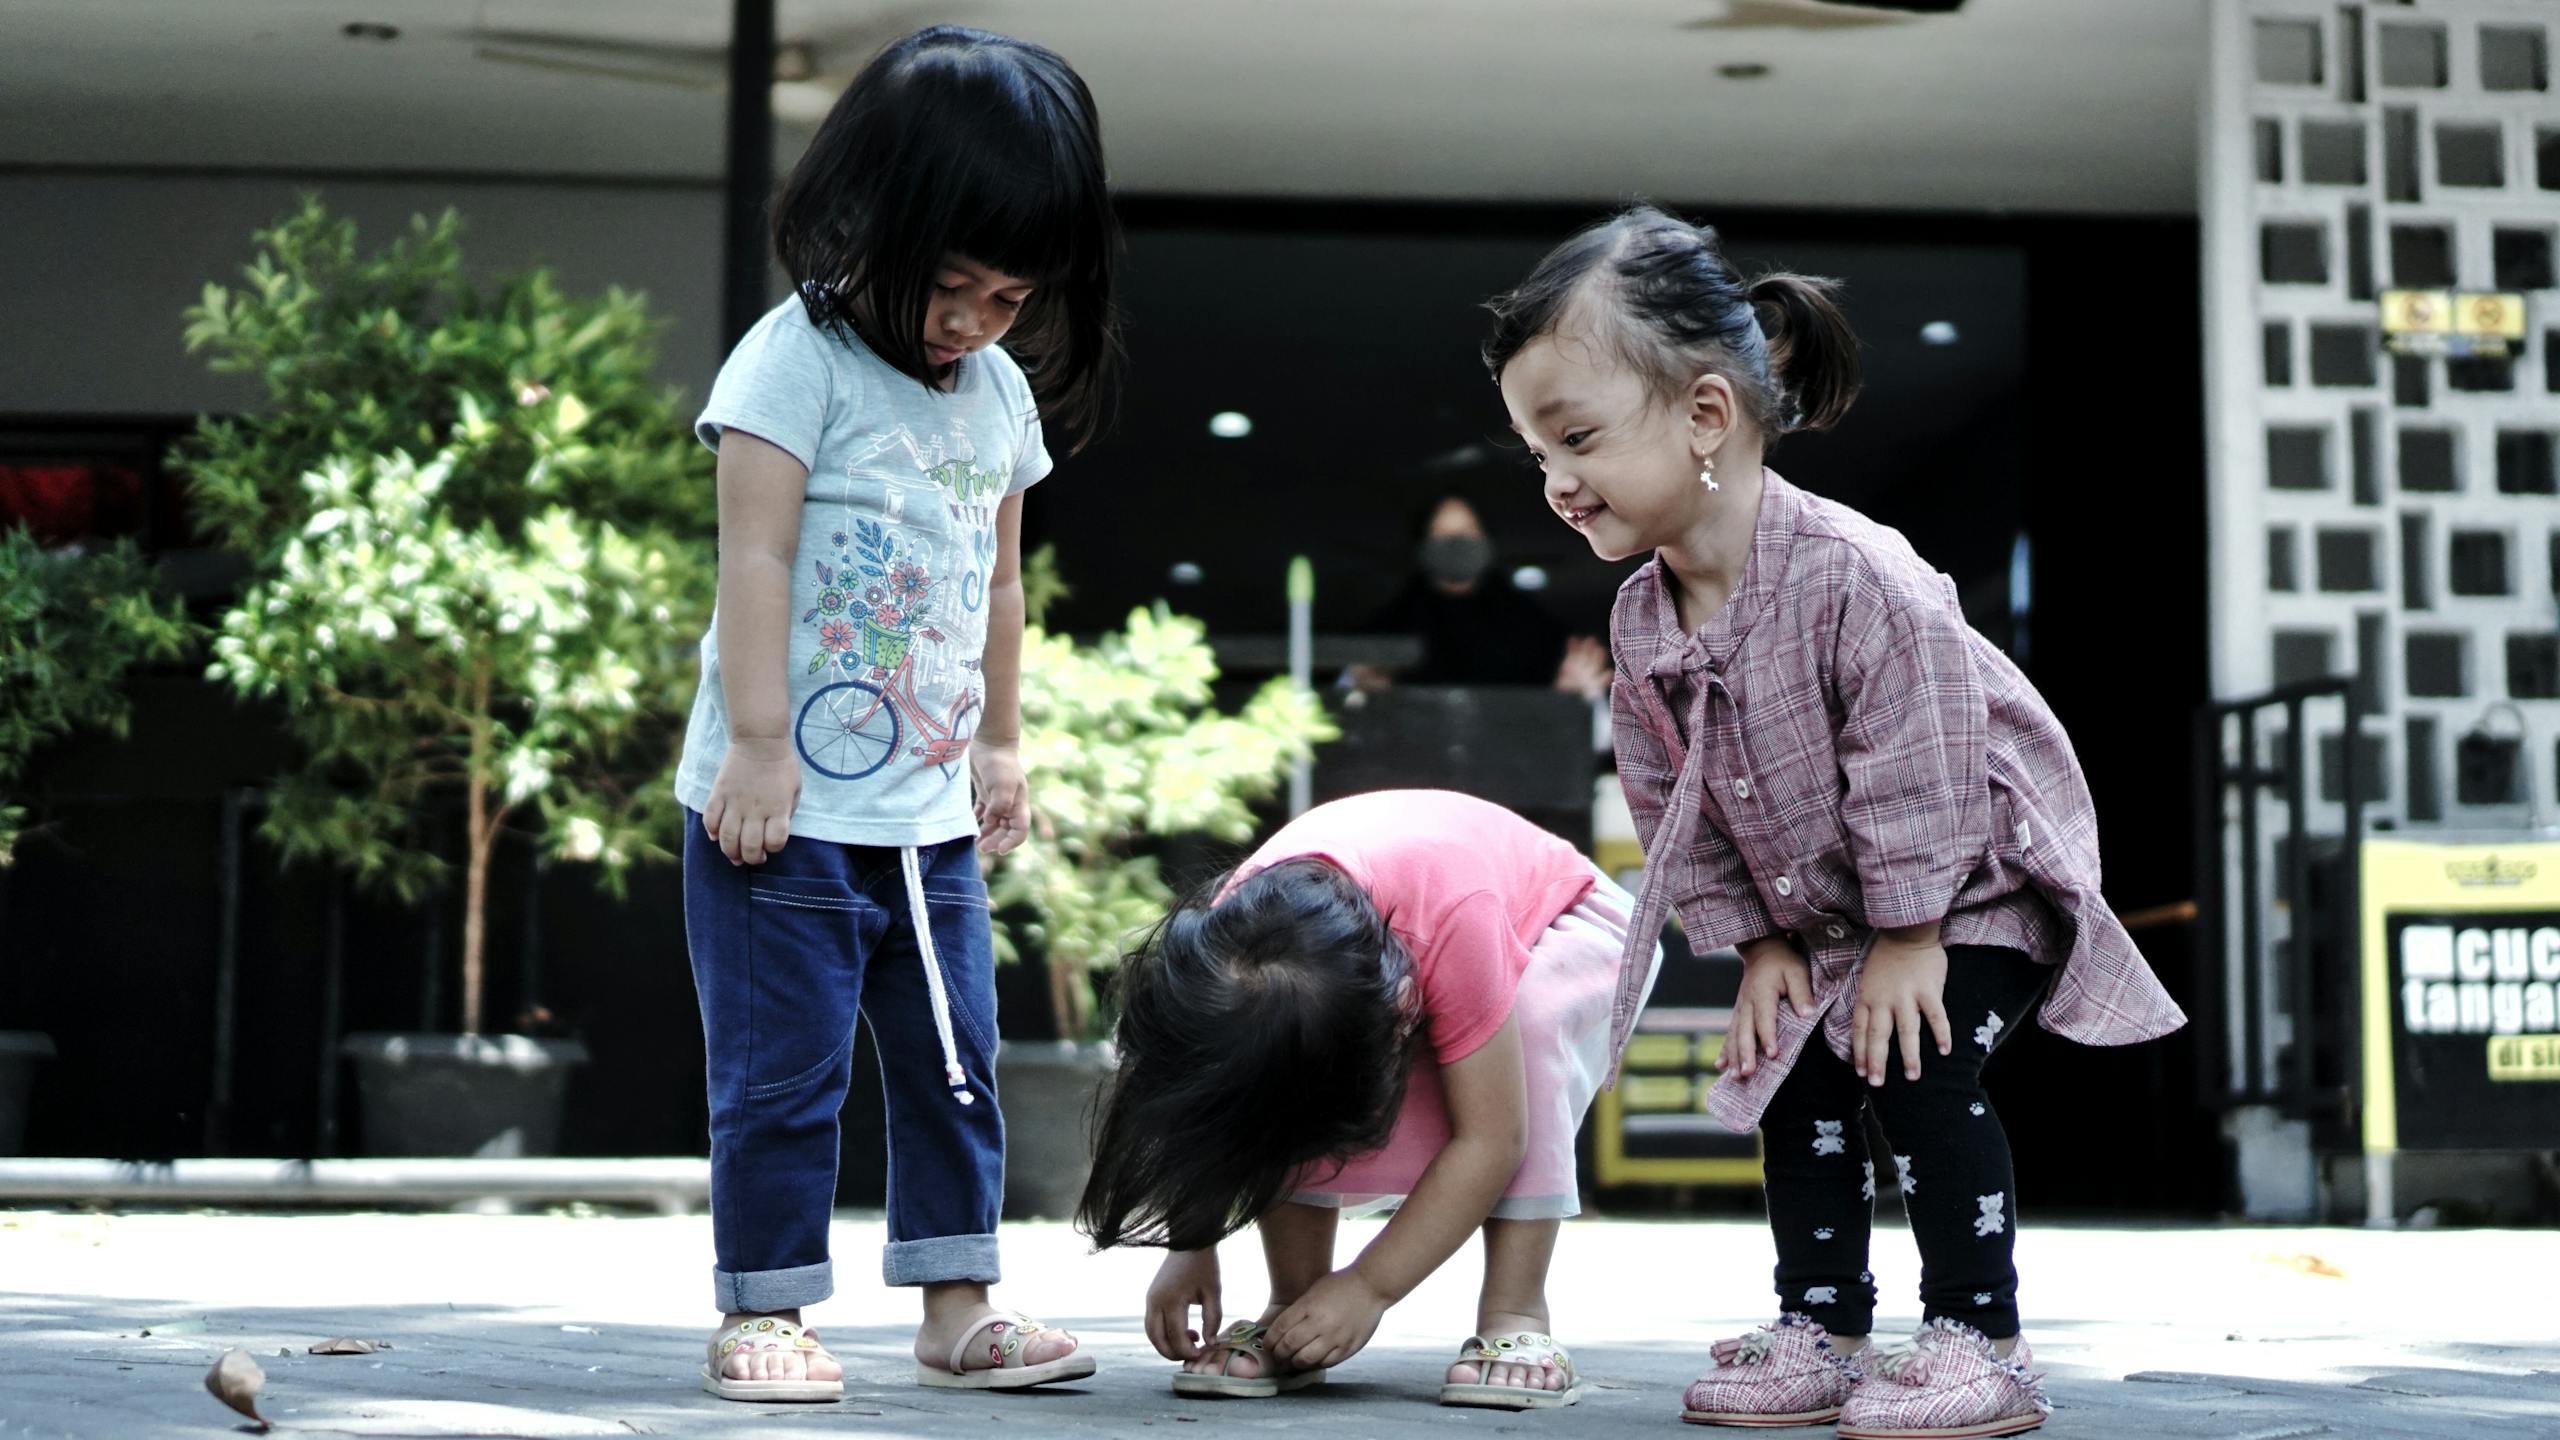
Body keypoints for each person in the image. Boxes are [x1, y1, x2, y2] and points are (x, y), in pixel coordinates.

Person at [1486, 206, 2185, 1439]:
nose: (1555, 482)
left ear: (1706, 416)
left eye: (1578, 438)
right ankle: (1823, 1321)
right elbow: (1670, 799)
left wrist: (1912, 937)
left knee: (1911, 1066)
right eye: (1536, 452)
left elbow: (1920, 764)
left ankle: (1983, 1336)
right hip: (1828, 917)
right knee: (1793, 1076)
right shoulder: (1644, 623)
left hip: (1969, 887)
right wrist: (1760, 945)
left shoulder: (1860, 575)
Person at [673, 24, 1122, 1403]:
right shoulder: (789, 361)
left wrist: (1002, 742)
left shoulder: (995, 394)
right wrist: (756, 745)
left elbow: (999, 581)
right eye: (949, 285)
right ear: (874, 220)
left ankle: (957, 1300)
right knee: (785, 1078)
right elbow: (752, 558)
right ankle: (766, 1306)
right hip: (783, 812)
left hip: (927, 820)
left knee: (956, 1061)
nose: (972, 322)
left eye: (1005, 297)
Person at [1077, 789, 1661, 1412]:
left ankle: (1515, 1313)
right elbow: (1225, 1109)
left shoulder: (1450, 917)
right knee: (1284, 1085)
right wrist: (1190, 1245)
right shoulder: (1230, 950)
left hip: (1572, 917)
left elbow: (1492, 1138)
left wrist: (1368, 1287)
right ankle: (1293, 1304)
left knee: (1528, 1031)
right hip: (1408, 937)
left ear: (1401, 1008)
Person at [1353, 493, 1610, 700]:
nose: (1456, 544)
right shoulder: (1390, 628)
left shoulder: (1530, 627)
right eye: (1442, 536)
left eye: (1467, 533)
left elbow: (1577, 727)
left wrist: (1571, 700)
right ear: (1422, 547)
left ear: (1486, 541)